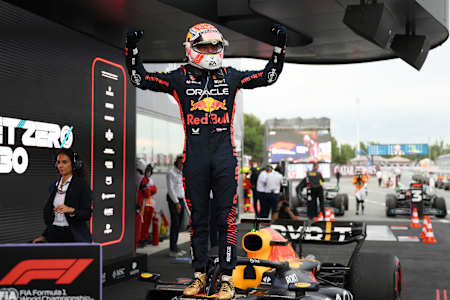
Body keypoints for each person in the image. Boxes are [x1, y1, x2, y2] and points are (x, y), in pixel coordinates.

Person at [125, 22, 286, 299]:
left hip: (224, 157)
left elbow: (268, 76)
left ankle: (226, 278)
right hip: (195, 157)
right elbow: (141, 79)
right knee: (198, 220)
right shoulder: (178, 77)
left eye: (215, 46)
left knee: (227, 220)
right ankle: (199, 275)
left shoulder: (231, 75)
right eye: (205, 46)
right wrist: (132, 51)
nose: (211, 51)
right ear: (191, 48)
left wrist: (279, 49)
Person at [33, 149, 92, 243]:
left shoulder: (81, 185)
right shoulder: (54, 186)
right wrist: (45, 236)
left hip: (74, 236)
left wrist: (71, 210)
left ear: (73, 164)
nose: (60, 165)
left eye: (64, 162)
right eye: (58, 162)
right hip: (54, 235)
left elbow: (87, 213)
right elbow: (54, 218)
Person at [167, 155, 187, 257]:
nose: (182, 165)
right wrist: (176, 203)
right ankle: (172, 249)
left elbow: (182, 188)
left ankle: (176, 247)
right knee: (175, 224)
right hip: (174, 200)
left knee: (179, 225)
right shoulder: (171, 173)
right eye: (181, 163)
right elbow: (171, 189)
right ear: (176, 163)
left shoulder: (181, 173)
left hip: (181, 199)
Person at [137, 164, 157, 247]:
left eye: (150, 171)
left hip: (150, 204)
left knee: (147, 223)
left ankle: (144, 238)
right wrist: (150, 189)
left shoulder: (150, 180)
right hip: (143, 205)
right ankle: (141, 239)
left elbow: (155, 190)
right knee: (142, 223)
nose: (148, 172)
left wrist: (150, 190)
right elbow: (147, 193)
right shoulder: (143, 179)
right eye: (147, 171)